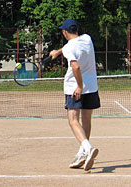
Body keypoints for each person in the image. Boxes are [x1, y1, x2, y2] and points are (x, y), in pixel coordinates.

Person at [49, 19, 101, 171]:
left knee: (73, 120)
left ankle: (88, 148)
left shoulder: (69, 48)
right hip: (91, 87)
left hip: (74, 88)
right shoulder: (87, 38)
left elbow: (75, 66)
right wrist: (57, 52)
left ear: (65, 32)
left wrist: (79, 86)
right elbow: (70, 46)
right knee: (86, 120)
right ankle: (83, 153)